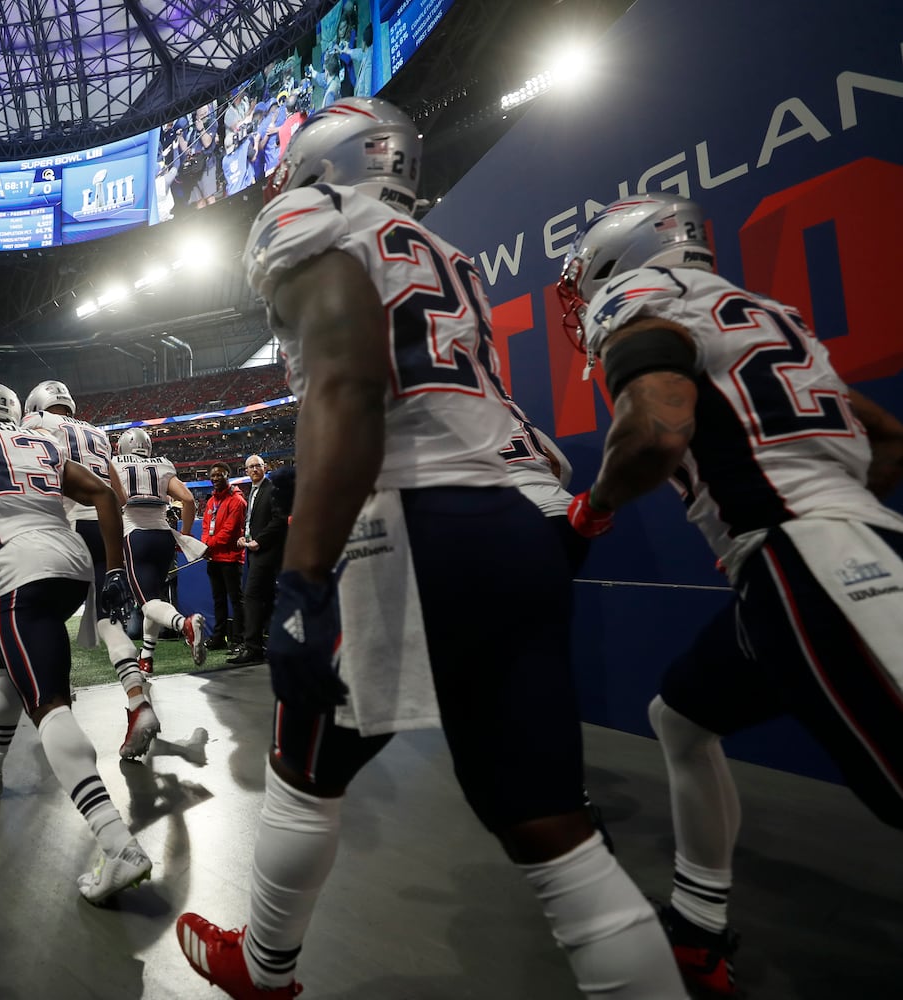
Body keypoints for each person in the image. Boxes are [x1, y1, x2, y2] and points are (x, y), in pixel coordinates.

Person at [176, 97, 686, 1000]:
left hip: (410, 523)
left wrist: (299, 579)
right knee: (551, 829)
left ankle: (262, 968)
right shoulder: (447, 253)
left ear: (324, 164)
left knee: (303, 772)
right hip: (517, 521)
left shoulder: (313, 218)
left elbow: (347, 378)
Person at [559, 192, 903, 996]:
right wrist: (834, 507)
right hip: (820, 550)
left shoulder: (639, 297)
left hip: (808, 562)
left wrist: (594, 508)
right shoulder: (763, 313)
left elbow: (653, 432)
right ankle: (698, 924)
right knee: (680, 716)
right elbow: (888, 438)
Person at [0, 382, 152, 904]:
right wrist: (114, 570)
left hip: (21, 567)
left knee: (49, 706)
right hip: (71, 566)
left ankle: (117, 842)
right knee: (11, 666)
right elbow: (101, 493)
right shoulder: (42, 443)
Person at [19, 380, 165, 759]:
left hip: (67, 526)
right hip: (105, 526)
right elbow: (117, 493)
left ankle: (57, 701)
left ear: (36, 405)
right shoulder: (97, 432)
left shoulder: (36, 425)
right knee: (108, 620)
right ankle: (137, 699)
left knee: (42, 619)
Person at [109, 427, 208, 676]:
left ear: (122, 447)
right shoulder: (162, 464)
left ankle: (183, 624)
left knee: (147, 603)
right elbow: (187, 499)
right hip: (163, 536)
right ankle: (147, 656)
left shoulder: (115, 464)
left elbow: (113, 502)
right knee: (153, 598)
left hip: (135, 535)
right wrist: (184, 534)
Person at [227, 456, 288, 666]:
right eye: (250, 467)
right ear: (245, 471)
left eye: (257, 466)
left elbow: (280, 520)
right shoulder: (253, 491)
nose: (254, 469)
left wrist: (259, 541)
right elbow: (254, 521)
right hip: (255, 551)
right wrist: (246, 536)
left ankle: (252, 647)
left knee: (251, 596)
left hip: (267, 552)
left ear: (265, 468)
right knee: (267, 598)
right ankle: (271, 646)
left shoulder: (273, 489)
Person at [201, 462, 247, 651]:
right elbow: (205, 526)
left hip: (231, 558)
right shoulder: (211, 501)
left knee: (236, 600)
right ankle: (219, 637)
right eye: (213, 475)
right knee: (218, 599)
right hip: (214, 558)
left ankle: (239, 638)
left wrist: (207, 546)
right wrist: (204, 545)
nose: (215, 478)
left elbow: (229, 530)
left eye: (219, 475)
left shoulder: (237, 501)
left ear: (228, 476)